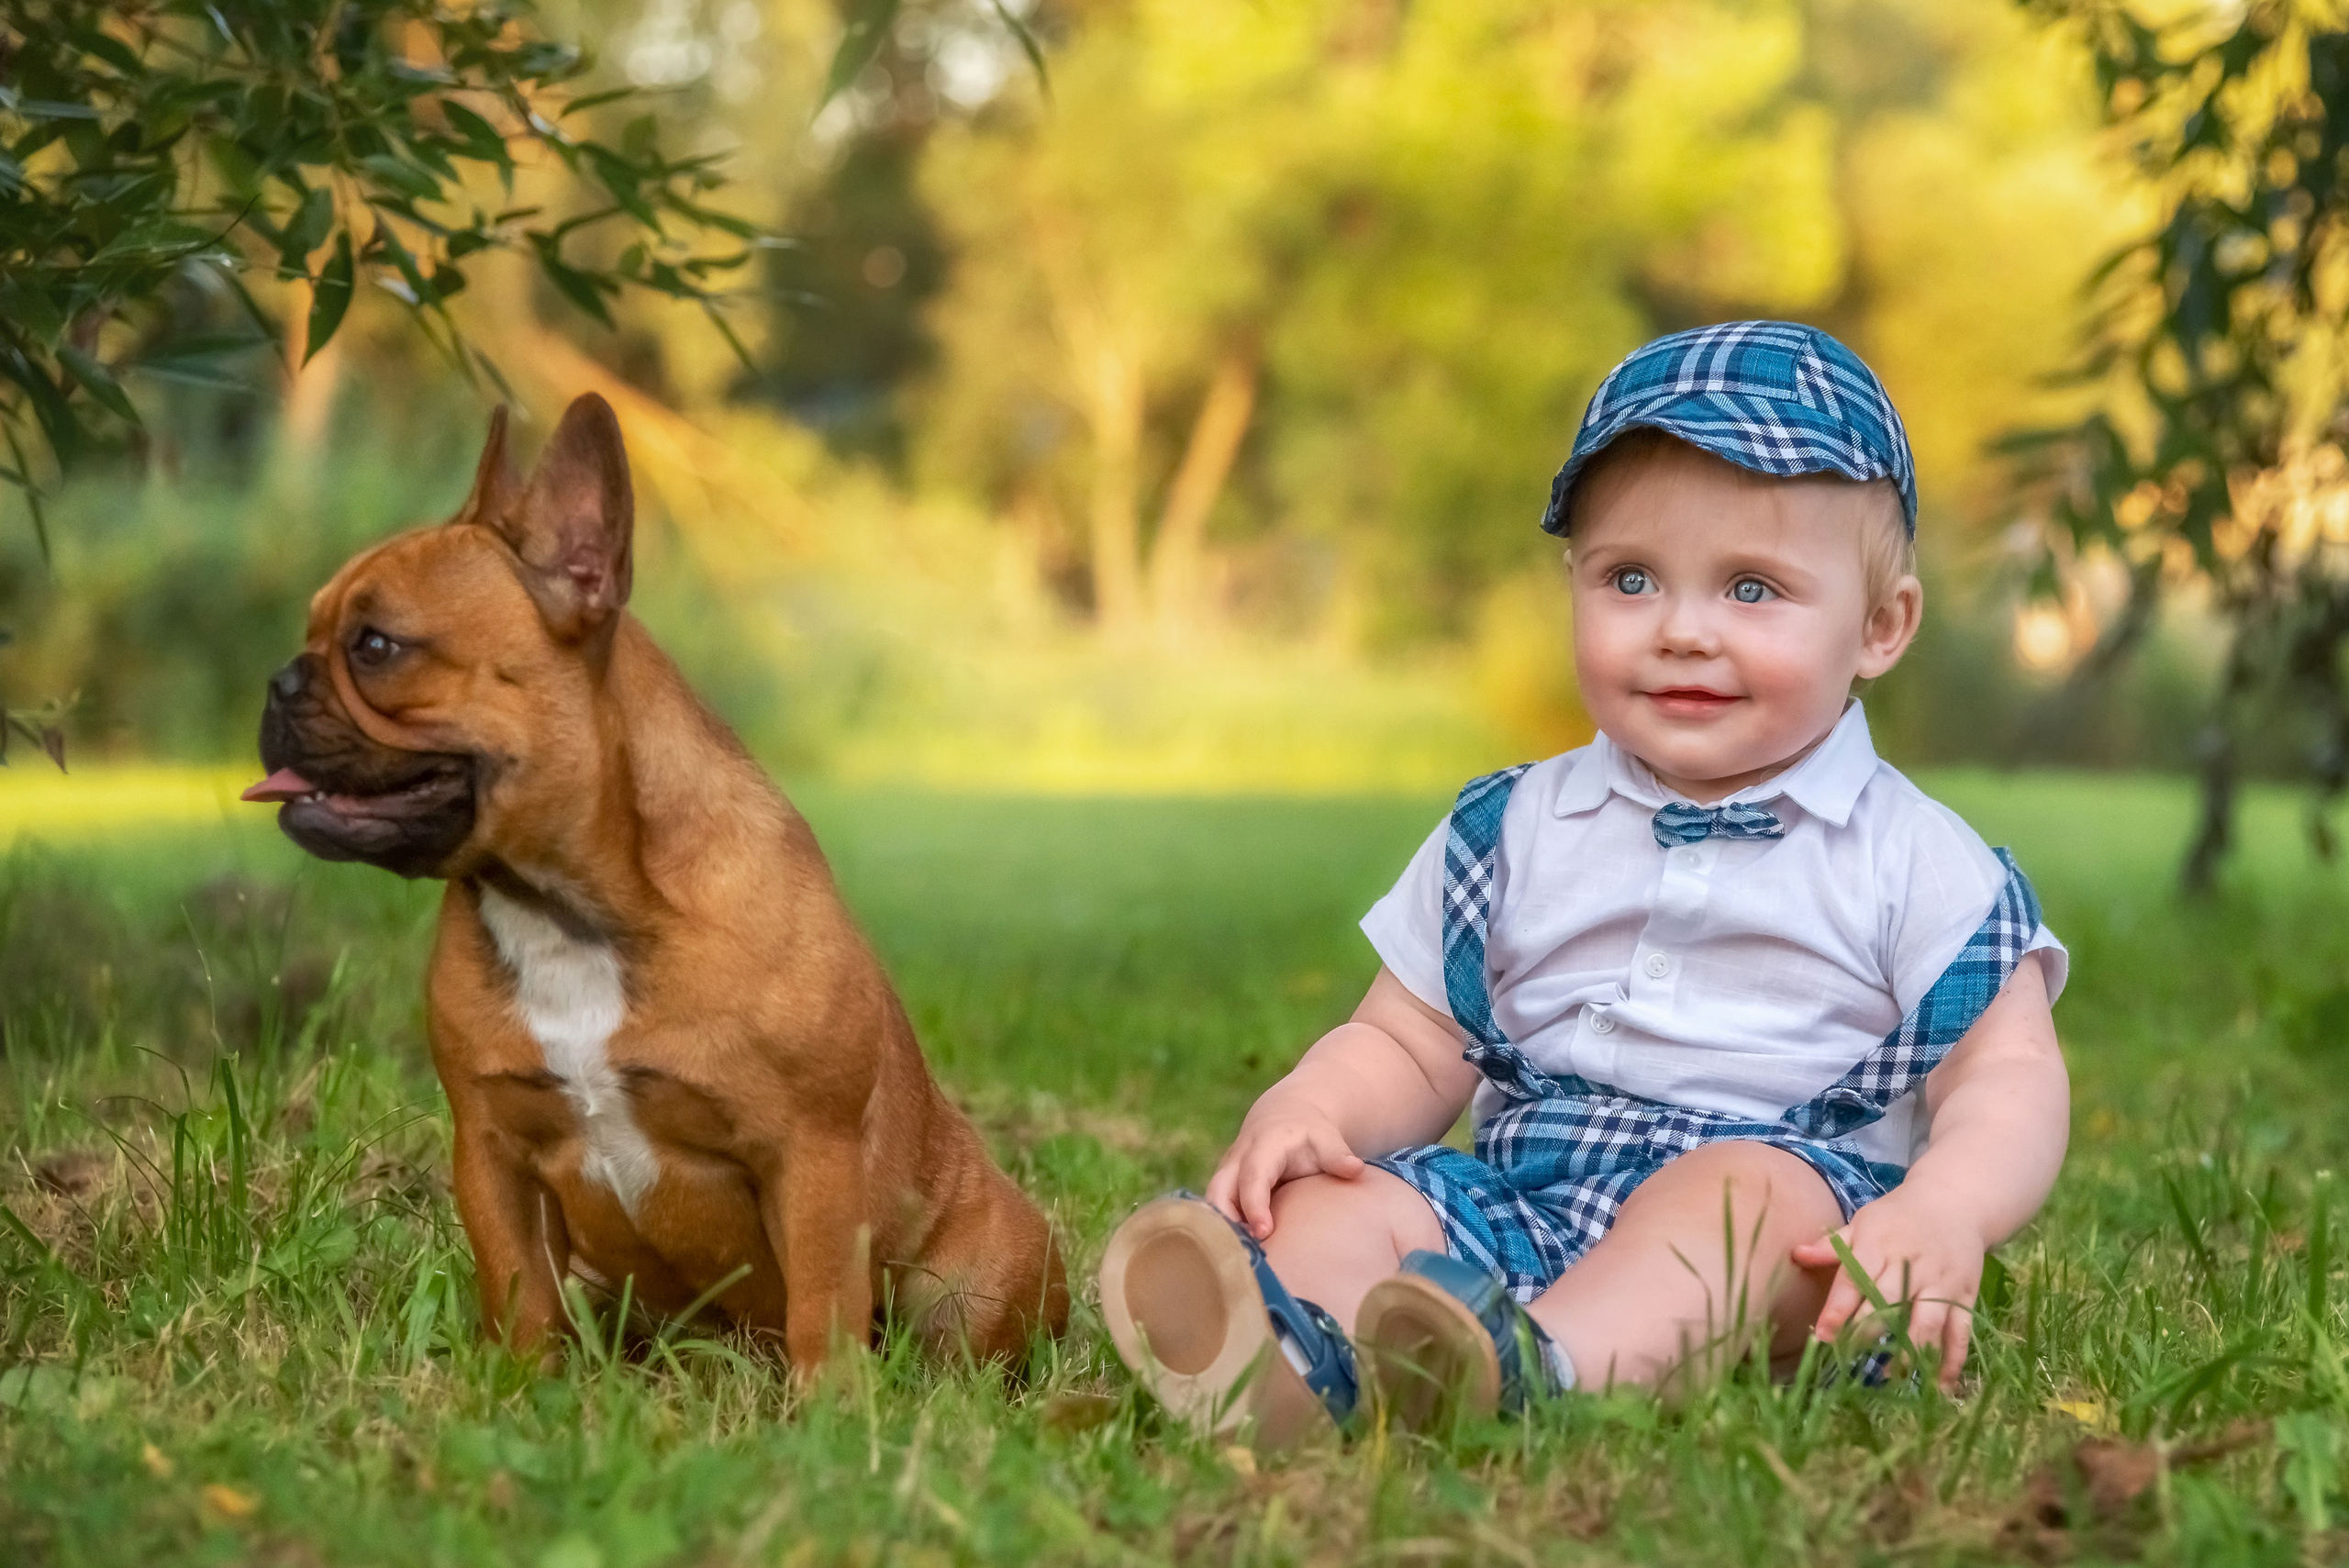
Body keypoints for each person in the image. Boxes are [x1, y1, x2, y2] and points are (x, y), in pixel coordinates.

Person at [1097, 321, 2071, 1447]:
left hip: (1793, 1237)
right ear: (1576, 582)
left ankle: (1537, 1369)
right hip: (1524, 1201)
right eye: (1631, 578)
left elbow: (2005, 1076)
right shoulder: (1513, 826)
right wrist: (1313, 1108)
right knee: (1344, 1199)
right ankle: (1292, 1355)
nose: (1682, 630)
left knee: (1736, 1201)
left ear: (1879, 626)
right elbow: (1412, 1042)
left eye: (1752, 589)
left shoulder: (1912, 853)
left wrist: (1943, 1208)